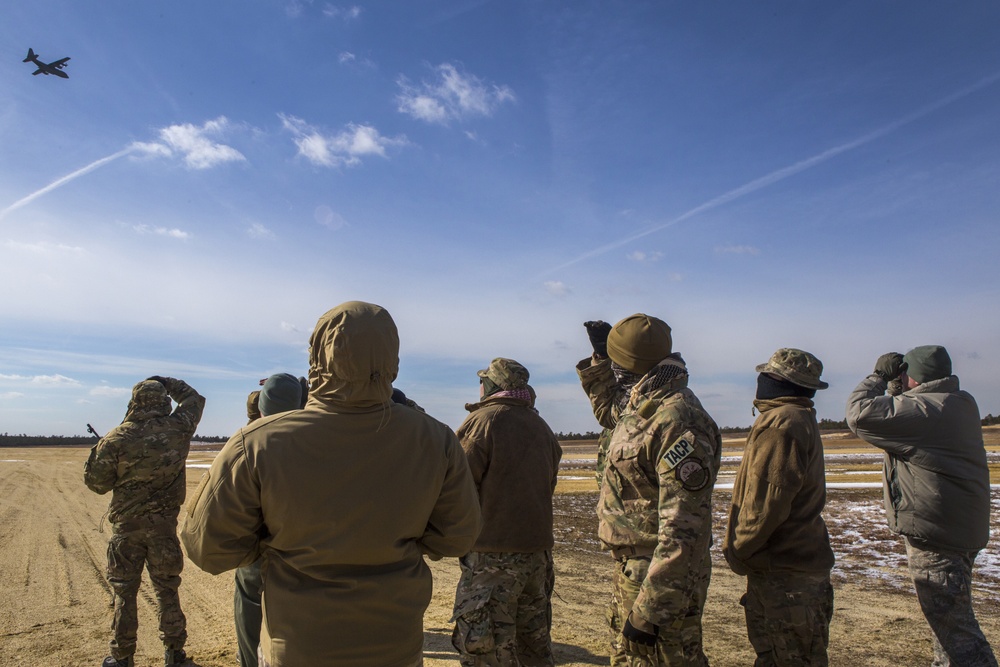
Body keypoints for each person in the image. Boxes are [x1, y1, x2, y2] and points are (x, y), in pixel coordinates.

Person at [180, 301, 482, 667]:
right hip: (396, 648)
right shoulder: (436, 440)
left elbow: (206, 548)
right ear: (393, 359)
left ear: (317, 356)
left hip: (298, 649)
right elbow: (458, 535)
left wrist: (267, 546)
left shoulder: (258, 443)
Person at [577, 314, 722, 666]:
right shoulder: (643, 404)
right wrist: (599, 360)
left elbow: (684, 529)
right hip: (636, 570)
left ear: (628, 368)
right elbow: (609, 411)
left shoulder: (676, 419)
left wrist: (652, 610)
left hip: (658, 576)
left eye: (617, 364)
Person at [846, 346, 997, 667]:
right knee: (948, 624)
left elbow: (860, 415)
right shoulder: (959, 402)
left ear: (912, 376)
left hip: (937, 534)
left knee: (955, 628)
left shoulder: (927, 411)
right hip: (956, 527)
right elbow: (901, 408)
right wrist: (899, 385)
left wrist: (879, 377)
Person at [723, 348, 835, 665]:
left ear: (777, 383)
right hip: (787, 570)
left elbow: (766, 505)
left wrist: (739, 550)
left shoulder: (782, 424)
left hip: (785, 574)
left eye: (766, 376)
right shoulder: (792, 418)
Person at [84, 376, 206, 667]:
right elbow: (194, 400)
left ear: (134, 402)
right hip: (164, 529)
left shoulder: (116, 439)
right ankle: (174, 655)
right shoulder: (178, 428)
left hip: (126, 532)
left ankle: (122, 657)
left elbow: (97, 484)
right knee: (167, 589)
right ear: (163, 402)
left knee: (124, 593)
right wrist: (167, 381)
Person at [451, 358, 563, 667]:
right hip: (538, 556)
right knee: (533, 645)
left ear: (491, 386)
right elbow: (548, 485)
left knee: (486, 650)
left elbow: (458, 487)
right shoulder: (542, 427)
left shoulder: (483, 421)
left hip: (492, 558)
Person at [233, 373, 306, 667]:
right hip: (302, 541)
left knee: (248, 594)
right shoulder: (315, 437)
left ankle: (250, 660)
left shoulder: (249, 443)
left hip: (259, 544)